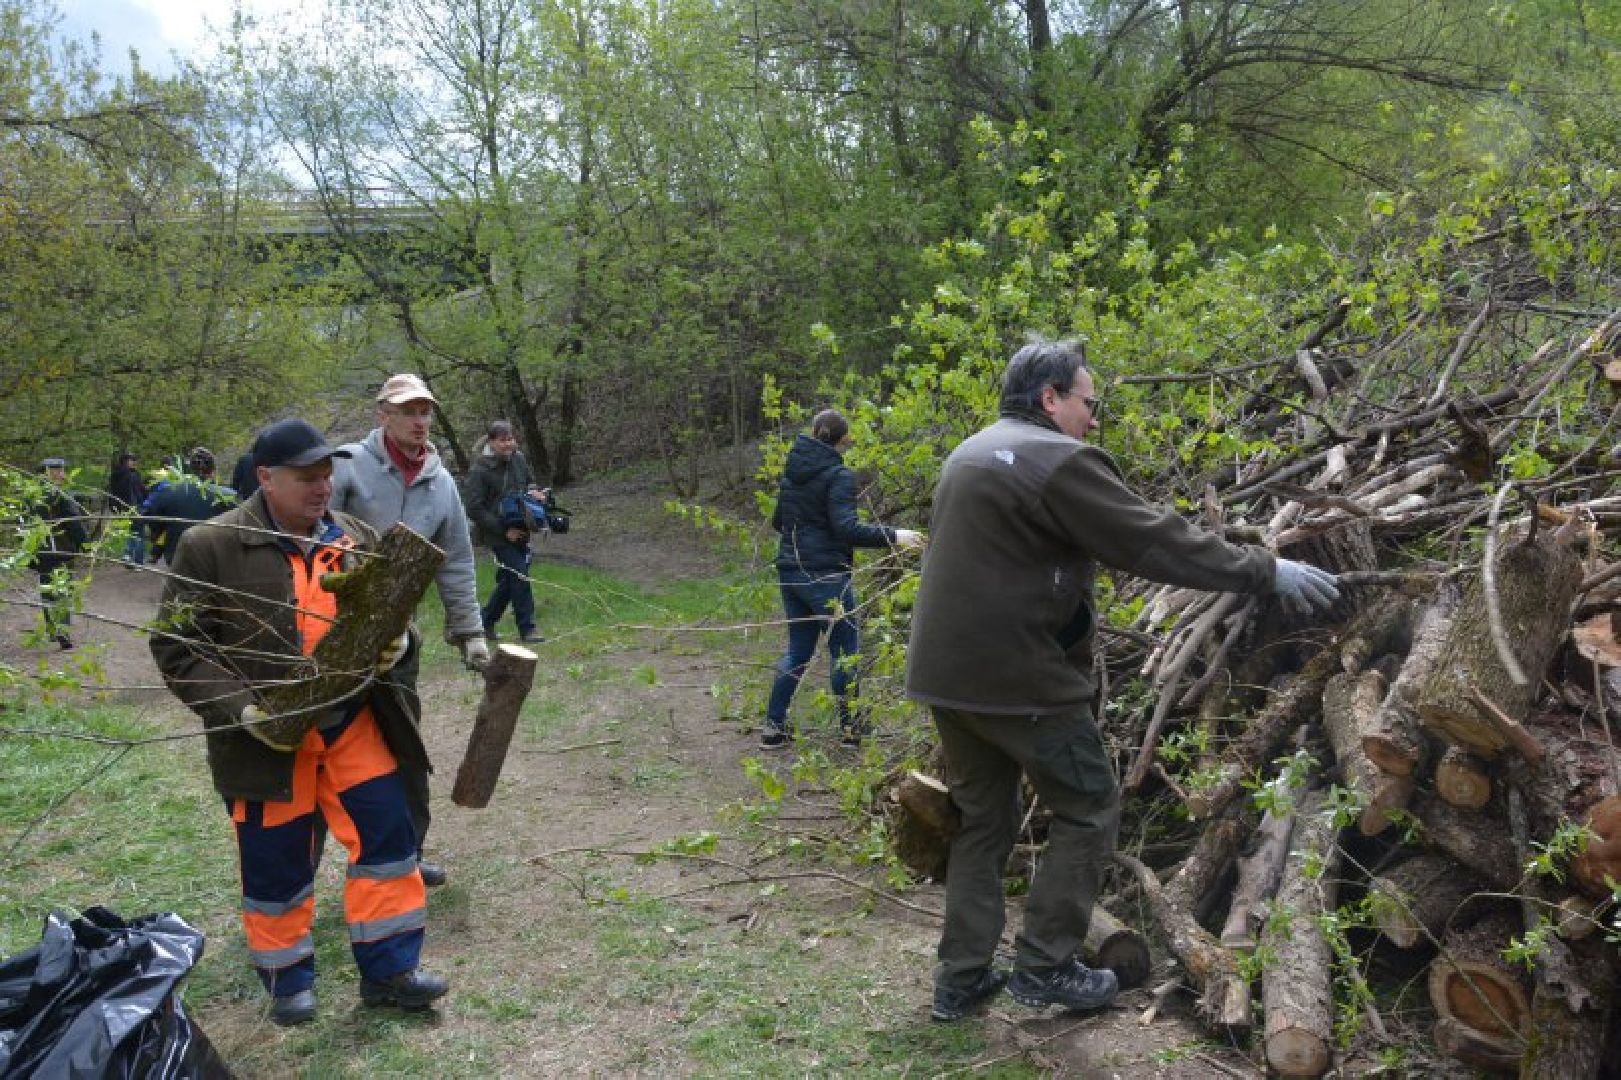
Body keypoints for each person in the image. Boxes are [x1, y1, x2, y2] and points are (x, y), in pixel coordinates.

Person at [906, 339, 1340, 1022]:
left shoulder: (973, 451)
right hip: (1014, 678)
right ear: (1049, 399)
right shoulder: (1056, 460)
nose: (1093, 417)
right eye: (1087, 401)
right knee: (1088, 804)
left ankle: (959, 979)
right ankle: (1043, 967)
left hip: (943, 677)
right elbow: (1148, 539)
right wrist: (1264, 570)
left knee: (982, 824)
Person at [149, 418, 449, 1027]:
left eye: (326, 475)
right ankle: (288, 982)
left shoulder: (357, 538)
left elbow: (390, 622)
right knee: (276, 862)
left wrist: (400, 645)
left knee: (390, 843)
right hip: (270, 744)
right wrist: (242, 711)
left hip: (353, 727)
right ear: (266, 478)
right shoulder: (210, 546)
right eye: (306, 478)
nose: (321, 488)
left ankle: (391, 972)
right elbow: (178, 649)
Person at [331, 373, 488, 888]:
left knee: (404, 749)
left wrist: (471, 633)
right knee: (322, 746)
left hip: (398, 639)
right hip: (331, 633)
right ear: (384, 415)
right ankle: (297, 872)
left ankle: (407, 855)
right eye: (408, 411)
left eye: (425, 411)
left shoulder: (442, 484)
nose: (419, 420)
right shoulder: (348, 467)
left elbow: (458, 561)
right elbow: (311, 531)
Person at [764, 409, 921, 750]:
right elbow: (847, 528)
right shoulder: (837, 474)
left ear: (815, 431)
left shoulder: (792, 471)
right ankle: (852, 731)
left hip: (791, 572)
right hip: (826, 577)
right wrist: (895, 535)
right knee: (845, 653)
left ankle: (773, 728)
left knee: (798, 651)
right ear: (840, 440)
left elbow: (780, 522)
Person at [466, 420, 545, 645]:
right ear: (492, 442)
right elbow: (473, 508)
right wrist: (503, 531)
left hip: (521, 528)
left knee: (511, 579)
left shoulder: (519, 459)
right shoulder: (479, 469)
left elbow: (528, 484)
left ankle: (485, 622)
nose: (508, 444)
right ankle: (527, 629)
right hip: (495, 533)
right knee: (519, 574)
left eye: (510, 439)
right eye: (502, 440)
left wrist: (535, 493)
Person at [139, 447, 236, 564]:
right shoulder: (229, 497)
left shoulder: (168, 493)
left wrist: (159, 537)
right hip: (216, 560)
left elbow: (152, 519)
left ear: (188, 471)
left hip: (178, 559)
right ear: (213, 472)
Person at [31, 458, 89, 649]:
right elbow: (74, 523)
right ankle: (62, 630)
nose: (64, 475)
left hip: (39, 551)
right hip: (60, 550)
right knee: (62, 589)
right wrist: (86, 545)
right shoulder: (60, 496)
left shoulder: (30, 495)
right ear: (50, 473)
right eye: (60, 471)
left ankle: (52, 630)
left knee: (47, 588)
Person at [106, 452, 148, 566]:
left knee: (129, 532)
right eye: (132, 460)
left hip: (120, 508)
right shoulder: (132, 475)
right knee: (138, 533)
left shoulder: (114, 474)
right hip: (134, 508)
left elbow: (112, 492)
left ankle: (127, 555)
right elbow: (139, 493)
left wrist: (114, 507)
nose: (135, 462)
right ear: (126, 461)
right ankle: (138, 561)